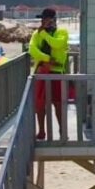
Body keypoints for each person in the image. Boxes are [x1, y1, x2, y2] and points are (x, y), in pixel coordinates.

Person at [28, 8, 70, 140]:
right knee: (40, 104)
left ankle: (62, 131)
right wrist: (47, 59)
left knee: (58, 104)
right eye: (42, 19)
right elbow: (32, 50)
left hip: (57, 73)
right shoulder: (37, 34)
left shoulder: (61, 32)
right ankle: (41, 131)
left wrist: (45, 34)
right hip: (42, 72)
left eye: (46, 19)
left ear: (53, 20)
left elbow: (57, 44)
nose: (43, 21)